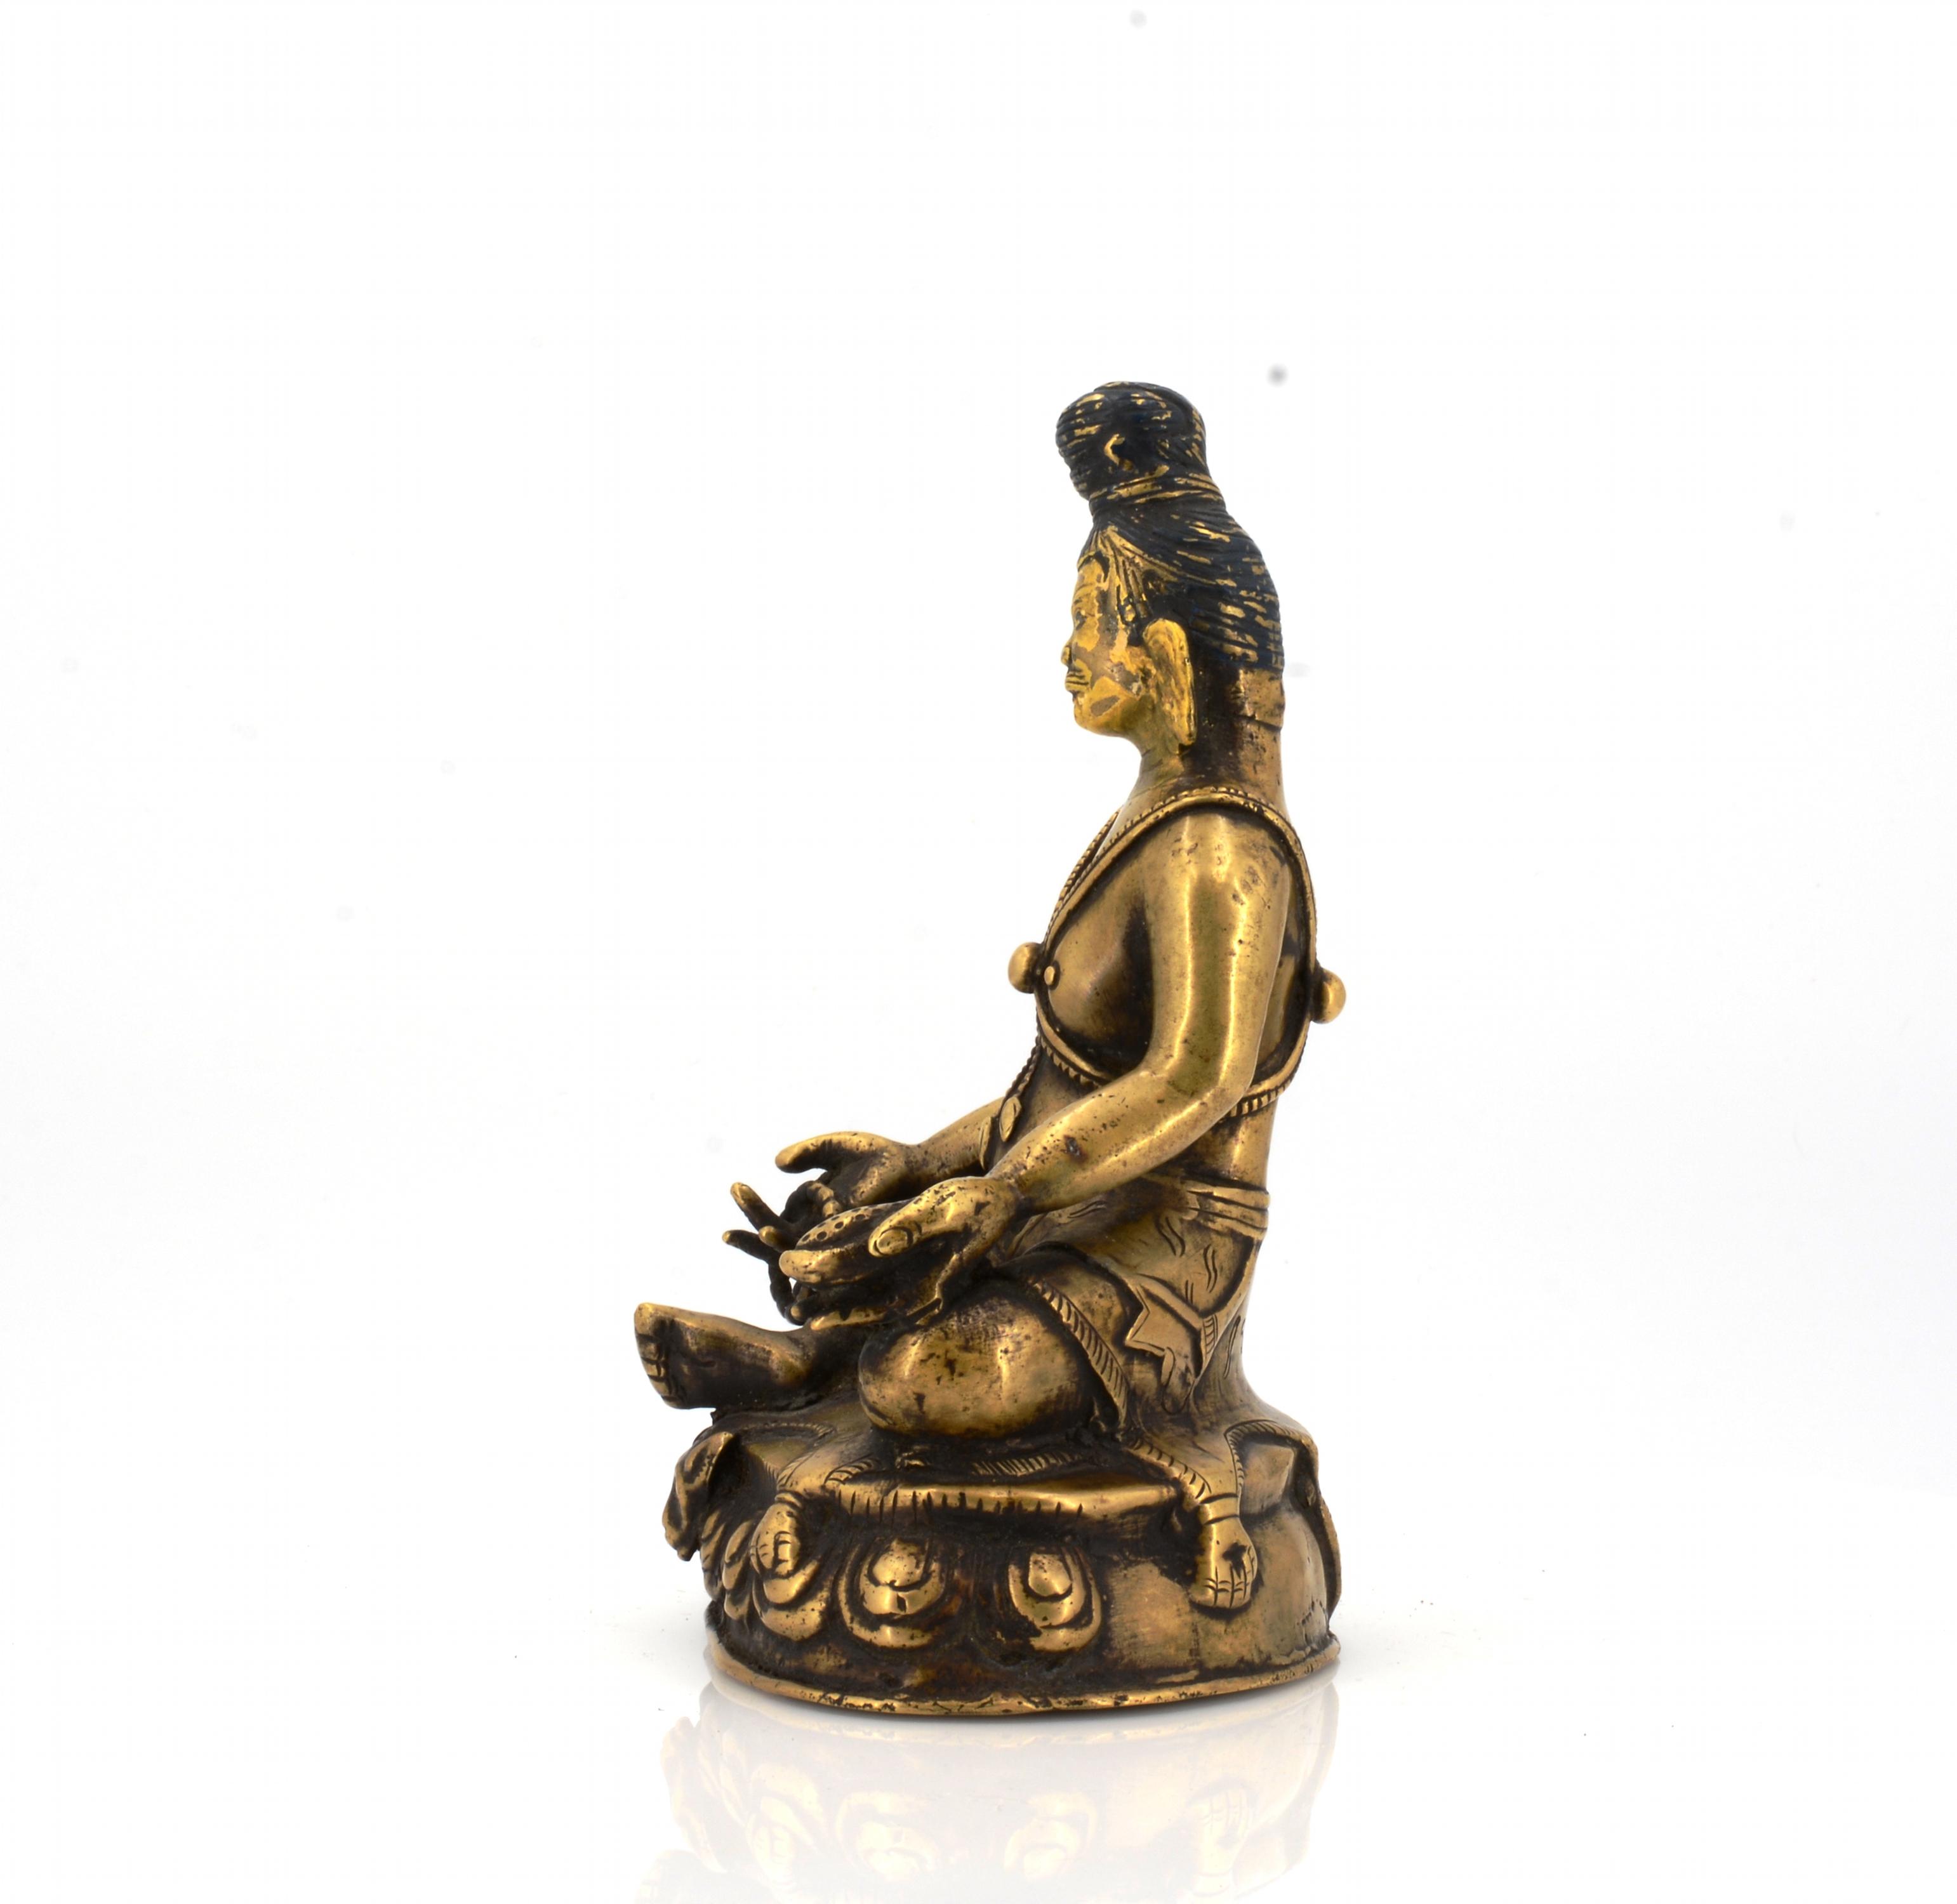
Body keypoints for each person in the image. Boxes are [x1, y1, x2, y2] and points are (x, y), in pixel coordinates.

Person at [637, 383, 1340, 1610]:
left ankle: (836, 1370)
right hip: (1069, 1198)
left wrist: (1002, 1194)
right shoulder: (1151, 821)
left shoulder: (1219, 849)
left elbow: (1193, 1078)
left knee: (932, 1375)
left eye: (1089, 621)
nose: (1069, 651)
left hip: (1164, 1250)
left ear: (1167, 656)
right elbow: (1057, 1089)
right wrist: (921, 1165)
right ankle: (815, 1354)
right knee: (867, 1241)